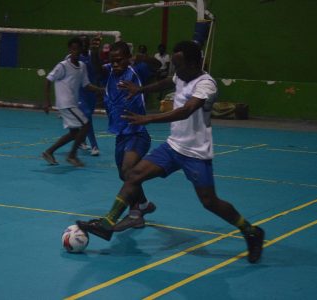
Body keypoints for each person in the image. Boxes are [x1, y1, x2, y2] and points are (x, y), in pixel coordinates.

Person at [77, 41, 265, 264]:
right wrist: (141, 89)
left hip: (195, 152)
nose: (175, 71)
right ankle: (108, 224)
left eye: (179, 65)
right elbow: (168, 81)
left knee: (209, 201)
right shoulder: (181, 76)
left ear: (194, 63)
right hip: (173, 146)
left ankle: (251, 231)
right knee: (133, 175)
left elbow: (186, 110)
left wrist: (148, 118)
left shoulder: (206, 84)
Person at [90, 40, 158, 229]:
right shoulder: (108, 72)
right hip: (120, 135)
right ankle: (143, 205)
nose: (116, 64)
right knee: (125, 175)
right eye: (112, 61)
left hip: (138, 133)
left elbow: (157, 65)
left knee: (129, 169)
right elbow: (96, 68)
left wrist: (142, 58)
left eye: (120, 60)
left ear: (128, 59)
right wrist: (94, 50)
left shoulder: (137, 71)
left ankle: (135, 214)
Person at [42, 37, 103, 167]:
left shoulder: (82, 66)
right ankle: (72, 155)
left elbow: (86, 85)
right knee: (85, 125)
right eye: (72, 49)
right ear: (70, 50)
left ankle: (49, 152)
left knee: (74, 133)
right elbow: (48, 80)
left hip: (72, 104)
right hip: (65, 103)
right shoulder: (63, 66)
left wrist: (101, 90)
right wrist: (47, 101)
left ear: (81, 49)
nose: (75, 51)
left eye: (78, 49)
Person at [77, 35, 101, 156]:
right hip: (80, 92)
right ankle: (94, 146)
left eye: (86, 42)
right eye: (82, 43)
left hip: (92, 91)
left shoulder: (93, 55)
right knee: (87, 117)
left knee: (86, 117)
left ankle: (82, 140)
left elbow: (98, 69)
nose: (84, 44)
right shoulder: (74, 57)